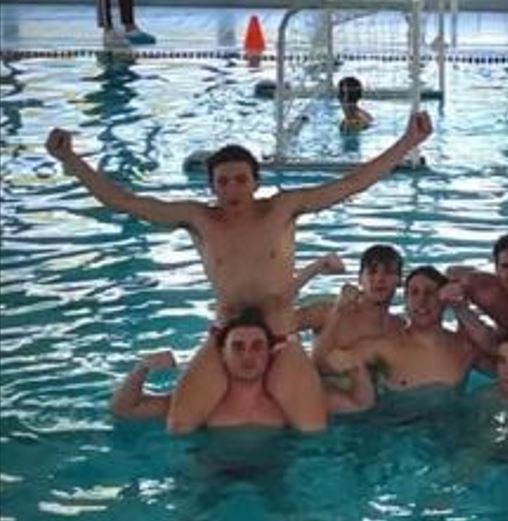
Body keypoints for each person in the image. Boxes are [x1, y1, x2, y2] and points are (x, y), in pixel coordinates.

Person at [46, 111, 433, 434]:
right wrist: (71, 161)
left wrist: (407, 142)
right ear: (211, 186)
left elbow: (351, 184)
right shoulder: (199, 219)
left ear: (256, 182)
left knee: (311, 430)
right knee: (179, 425)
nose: (232, 189)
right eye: (223, 181)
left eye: (241, 180)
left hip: (280, 336)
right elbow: (126, 202)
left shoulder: (282, 209)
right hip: (225, 338)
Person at [109, 309, 375, 431]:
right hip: (213, 478)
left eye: (257, 346)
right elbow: (124, 409)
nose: (248, 355)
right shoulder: (204, 403)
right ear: (222, 355)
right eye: (238, 347)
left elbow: (360, 403)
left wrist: (356, 368)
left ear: (270, 354)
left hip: (274, 479)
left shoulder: (288, 403)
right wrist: (141, 369)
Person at [321, 266, 494, 391]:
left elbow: (498, 361)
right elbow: (323, 366)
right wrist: (338, 311)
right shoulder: (384, 349)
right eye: (414, 293)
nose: (421, 301)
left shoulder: (463, 349)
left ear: (444, 300)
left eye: (429, 293)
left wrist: (461, 307)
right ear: (406, 302)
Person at [306, 244, 406, 371]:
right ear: (360, 279)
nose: (379, 279)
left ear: (400, 281)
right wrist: (337, 311)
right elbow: (281, 321)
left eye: (388, 273)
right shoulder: (326, 313)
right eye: (372, 272)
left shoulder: (401, 328)